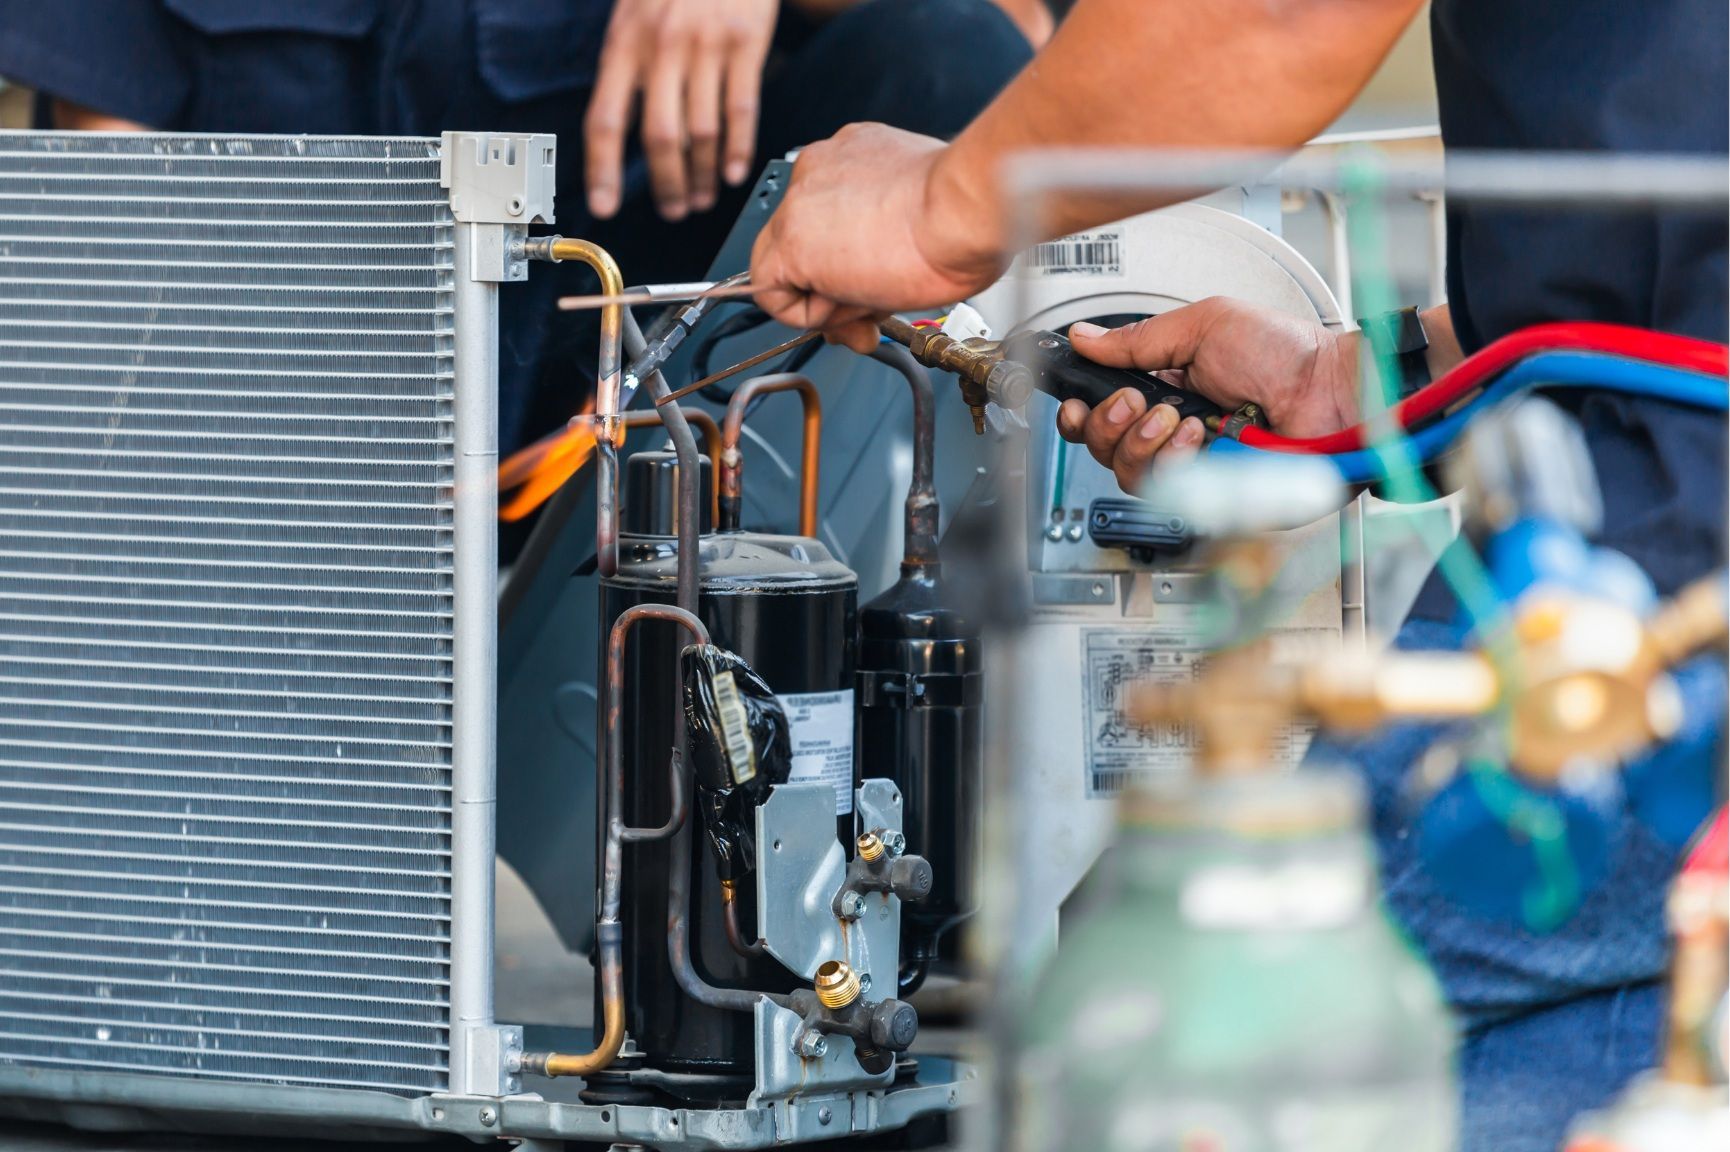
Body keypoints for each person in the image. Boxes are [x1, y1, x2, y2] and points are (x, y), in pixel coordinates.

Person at [745, 1, 1728, 1149]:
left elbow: (1281, 12)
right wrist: (1353, 376)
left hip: (1669, 553)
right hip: (1659, 484)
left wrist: (932, 211)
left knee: (1209, 1026)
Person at [0, 0, 1044, 451]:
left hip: (662, 373)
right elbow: (117, 192)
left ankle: (753, 637)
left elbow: (1007, 35)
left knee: (947, 54)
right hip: (287, 406)